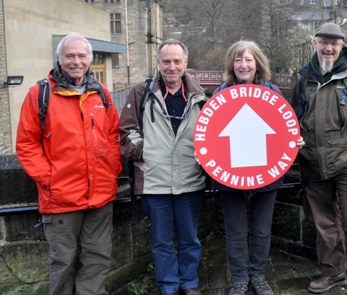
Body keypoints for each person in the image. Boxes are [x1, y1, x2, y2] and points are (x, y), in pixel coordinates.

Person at [16, 33, 122, 295]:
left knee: (98, 258)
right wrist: (50, 179)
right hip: (61, 199)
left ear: (90, 59)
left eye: (82, 56)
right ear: (59, 59)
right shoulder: (39, 94)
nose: (76, 61)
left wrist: (111, 171)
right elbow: (26, 145)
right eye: (70, 56)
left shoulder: (102, 93)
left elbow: (113, 136)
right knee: (62, 263)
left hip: (100, 196)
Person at [290, 23, 347, 295]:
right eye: (323, 42)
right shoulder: (304, 79)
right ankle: (333, 274)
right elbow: (291, 118)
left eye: (334, 43)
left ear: (342, 46)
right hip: (313, 164)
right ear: (314, 43)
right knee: (324, 225)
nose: (328, 48)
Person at [212, 41, 304, 295]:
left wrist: (294, 139)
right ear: (231, 64)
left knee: (262, 229)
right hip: (229, 176)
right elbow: (210, 134)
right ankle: (240, 278)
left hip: (267, 173)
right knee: (235, 231)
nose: (243, 65)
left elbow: (285, 127)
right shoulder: (220, 93)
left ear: (258, 64)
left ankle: (258, 275)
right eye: (238, 60)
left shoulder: (273, 92)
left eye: (249, 60)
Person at [119, 38, 205, 295]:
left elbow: (213, 134)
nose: (171, 66)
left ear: (185, 62)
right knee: (162, 241)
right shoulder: (140, 92)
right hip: (154, 181)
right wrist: (146, 151)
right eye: (166, 61)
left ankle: (189, 283)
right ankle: (168, 285)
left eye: (177, 61)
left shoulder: (200, 96)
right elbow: (125, 131)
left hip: (190, 179)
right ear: (158, 63)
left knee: (190, 238)